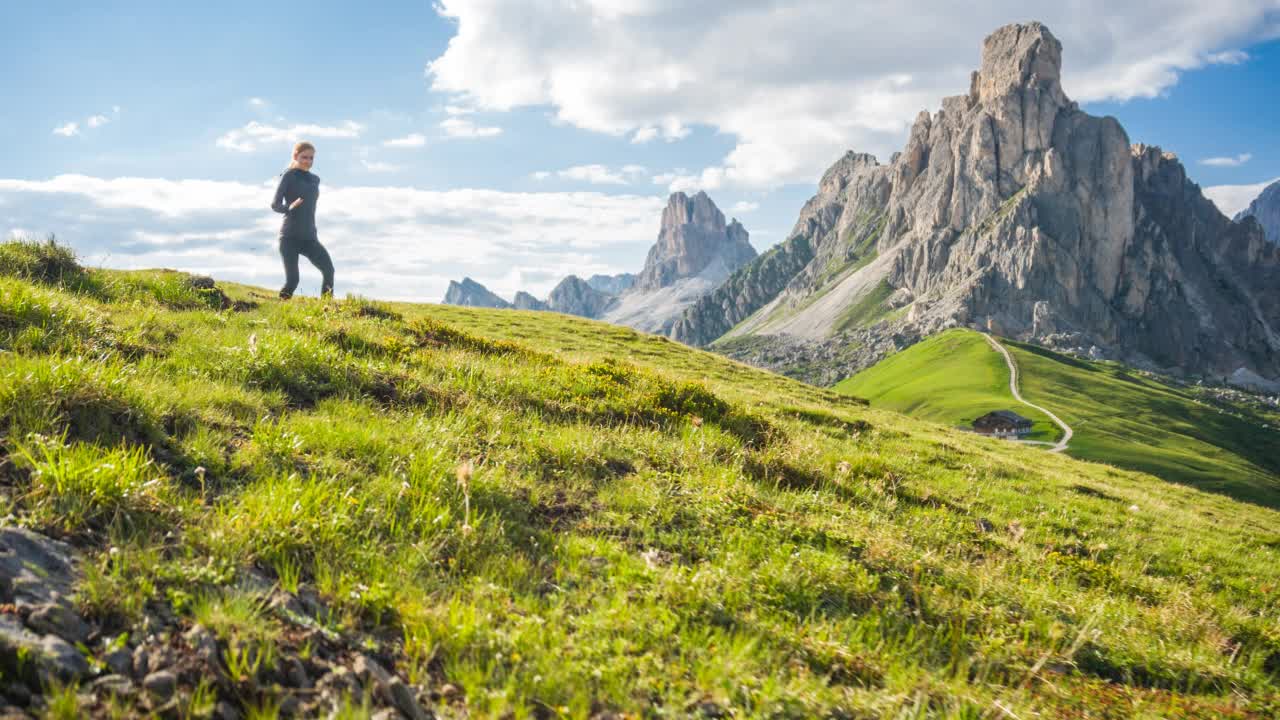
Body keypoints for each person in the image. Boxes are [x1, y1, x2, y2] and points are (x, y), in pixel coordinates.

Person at [271, 141, 335, 299]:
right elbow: (275, 204)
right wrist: (289, 207)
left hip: (309, 237)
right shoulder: (288, 175)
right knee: (293, 280)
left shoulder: (315, 179)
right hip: (289, 237)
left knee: (329, 270)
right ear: (295, 156)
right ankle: (281, 309)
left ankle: (326, 309)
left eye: (311, 158)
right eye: (304, 157)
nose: (308, 161)